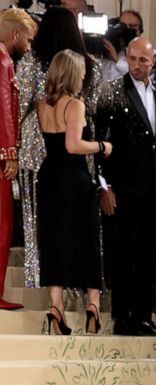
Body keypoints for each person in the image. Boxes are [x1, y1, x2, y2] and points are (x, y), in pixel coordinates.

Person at [96, 36, 156, 336]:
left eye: (143, 60)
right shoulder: (110, 92)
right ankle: (122, 318)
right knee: (124, 254)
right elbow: (98, 141)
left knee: (148, 256)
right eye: (132, 58)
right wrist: (103, 186)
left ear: (153, 62)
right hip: (122, 189)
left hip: (155, 191)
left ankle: (142, 317)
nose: (136, 65)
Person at [17, 6, 102, 288]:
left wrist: (11, 146)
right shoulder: (90, 65)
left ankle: (36, 274)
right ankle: (82, 287)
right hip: (79, 145)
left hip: (38, 145)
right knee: (80, 224)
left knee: (41, 219)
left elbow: (20, 105)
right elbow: (91, 108)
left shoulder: (32, 60)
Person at [36, 49, 111, 335]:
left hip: (49, 177)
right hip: (74, 178)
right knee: (87, 239)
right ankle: (93, 305)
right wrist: (102, 147)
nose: (83, 77)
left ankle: (56, 308)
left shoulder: (42, 104)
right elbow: (73, 145)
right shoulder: (75, 105)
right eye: (80, 72)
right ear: (72, 74)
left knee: (54, 241)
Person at [0, 8, 35, 311]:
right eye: (28, 39)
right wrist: (9, 153)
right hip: (0, 156)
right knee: (2, 226)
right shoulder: (2, 60)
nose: (29, 46)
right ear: (14, 34)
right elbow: (4, 109)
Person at [100, 9, 143, 84]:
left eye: (132, 26)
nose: (127, 30)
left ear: (139, 31)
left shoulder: (145, 53)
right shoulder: (108, 48)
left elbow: (139, 79)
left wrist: (117, 60)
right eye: (123, 26)